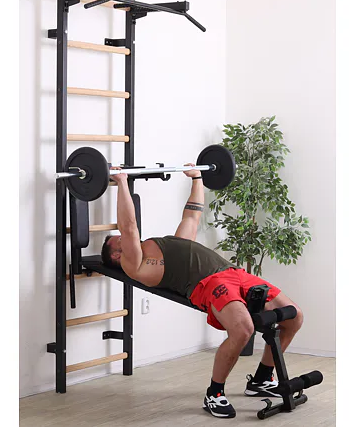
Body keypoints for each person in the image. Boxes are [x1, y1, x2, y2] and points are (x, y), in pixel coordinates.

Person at [101, 164, 303, 419]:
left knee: (294, 316)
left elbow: (191, 217)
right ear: (117, 255)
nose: (122, 237)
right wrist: (121, 182)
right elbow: (128, 226)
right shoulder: (135, 264)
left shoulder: (164, 244)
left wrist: (197, 178)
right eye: (117, 240)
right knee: (243, 329)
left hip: (234, 273)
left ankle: (261, 379)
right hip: (208, 284)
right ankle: (214, 394)